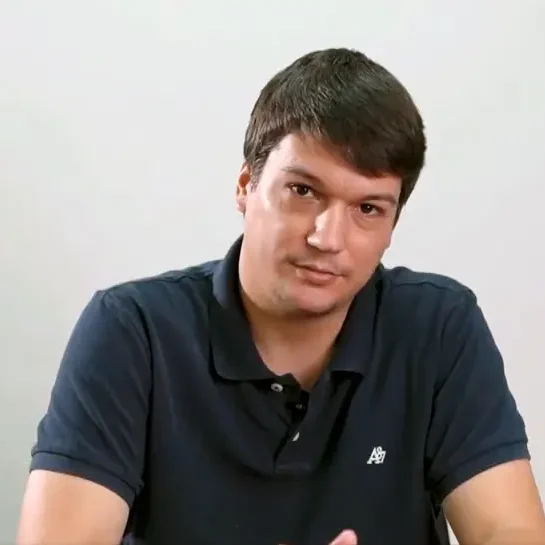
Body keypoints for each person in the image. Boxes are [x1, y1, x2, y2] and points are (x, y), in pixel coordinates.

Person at [16, 48, 545, 545]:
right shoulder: (132, 332)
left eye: (368, 209)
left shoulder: (438, 327)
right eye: (303, 191)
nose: (328, 238)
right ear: (245, 186)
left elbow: (510, 532)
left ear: (392, 225)